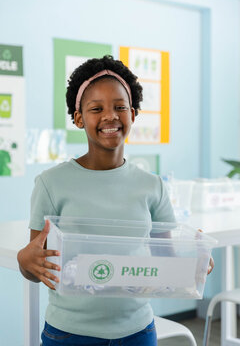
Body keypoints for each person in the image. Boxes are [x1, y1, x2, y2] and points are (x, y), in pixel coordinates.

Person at [17, 55, 213, 346]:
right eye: (96, 108)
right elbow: (37, 266)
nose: (110, 116)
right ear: (78, 118)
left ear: (132, 114)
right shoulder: (51, 184)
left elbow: (165, 263)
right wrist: (24, 260)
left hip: (137, 332)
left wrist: (194, 260)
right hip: (69, 334)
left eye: (120, 107)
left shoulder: (153, 186)